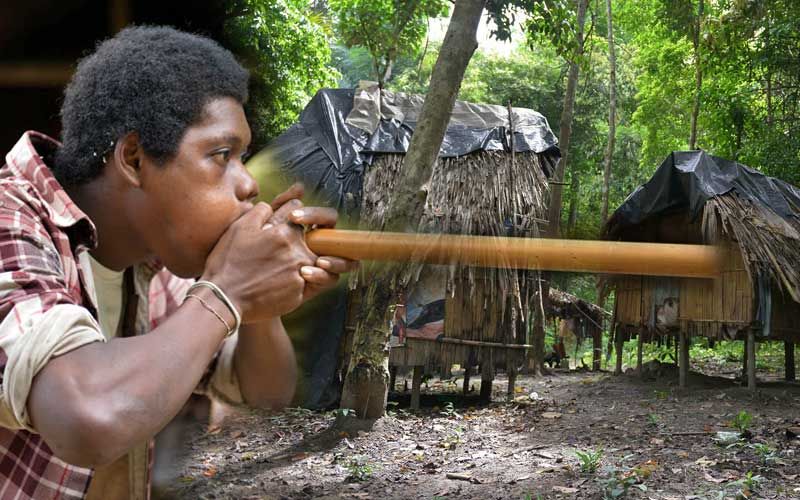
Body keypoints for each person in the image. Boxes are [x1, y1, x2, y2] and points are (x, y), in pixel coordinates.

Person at [0, 25, 356, 499]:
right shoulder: (11, 223)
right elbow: (86, 418)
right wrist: (226, 292)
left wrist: (258, 303)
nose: (248, 184)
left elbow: (264, 394)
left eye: (243, 157)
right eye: (221, 154)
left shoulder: (156, 257)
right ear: (133, 158)